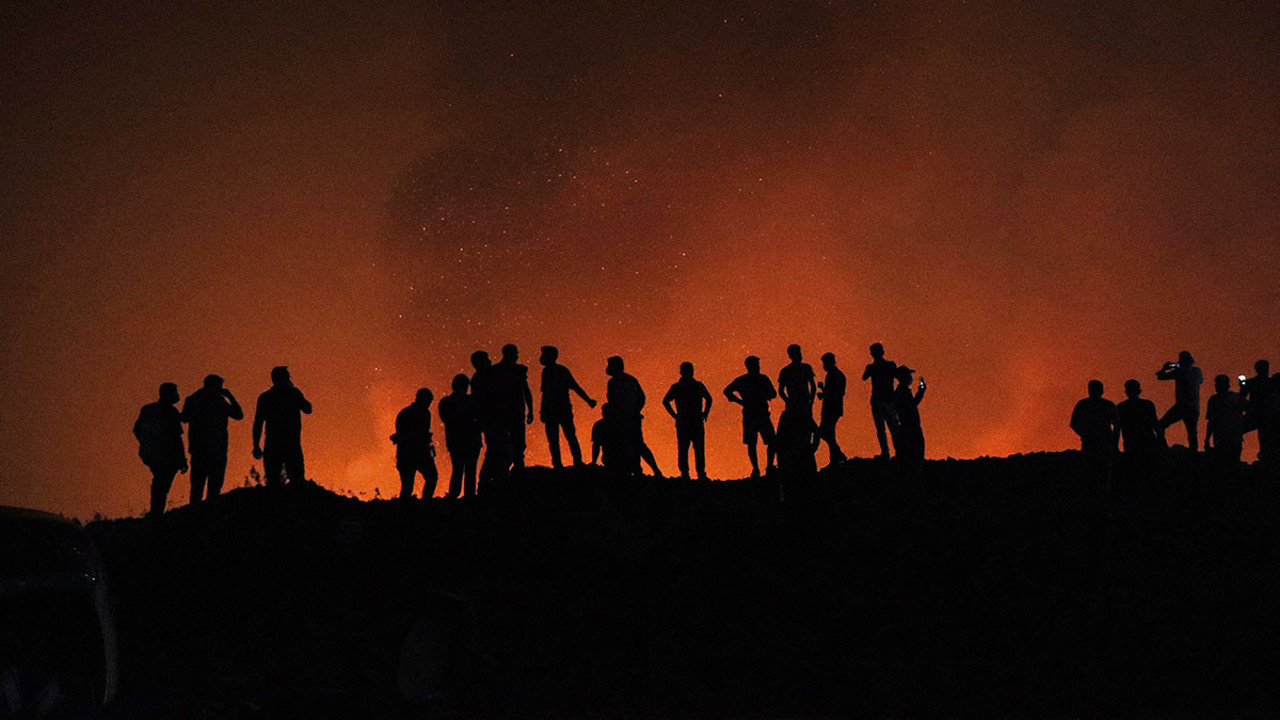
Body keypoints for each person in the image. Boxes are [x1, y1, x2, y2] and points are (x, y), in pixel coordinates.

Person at [180, 374, 243, 504]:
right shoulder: (218, 400)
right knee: (212, 486)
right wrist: (230, 396)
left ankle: (197, 514)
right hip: (214, 449)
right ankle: (206, 514)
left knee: (199, 486)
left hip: (202, 449)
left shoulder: (193, 399)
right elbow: (238, 414)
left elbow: (184, 418)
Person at [252, 366, 312, 487]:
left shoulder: (265, 397)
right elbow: (308, 409)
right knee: (297, 481)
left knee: (273, 482)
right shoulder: (294, 394)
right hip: (291, 444)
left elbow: (258, 423)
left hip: (273, 444)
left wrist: (256, 445)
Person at [134, 382, 187, 517]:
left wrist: (147, 444)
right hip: (168, 456)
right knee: (162, 484)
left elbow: (137, 429)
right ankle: (157, 513)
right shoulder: (171, 412)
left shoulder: (148, 409)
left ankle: (156, 511)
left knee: (158, 482)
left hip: (151, 454)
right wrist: (182, 459)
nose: (177, 395)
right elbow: (176, 438)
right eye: (175, 392)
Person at [539, 346, 596, 468]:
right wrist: (588, 400)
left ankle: (558, 464)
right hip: (563, 408)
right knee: (569, 436)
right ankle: (577, 461)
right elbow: (575, 387)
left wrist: (542, 411)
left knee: (555, 439)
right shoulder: (562, 370)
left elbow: (546, 394)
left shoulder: (548, 372)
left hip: (553, 410)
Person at [724, 356, 777, 477]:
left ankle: (761, 468)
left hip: (753, 413)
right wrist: (741, 401)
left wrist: (740, 401)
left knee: (760, 442)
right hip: (757, 414)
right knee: (762, 442)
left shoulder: (744, 380)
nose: (758, 367)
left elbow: (727, 391)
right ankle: (763, 468)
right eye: (756, 364)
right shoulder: (761, 379)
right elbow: (773, 394)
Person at [663, 362, 713, 480]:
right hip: (695, 421)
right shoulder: (697, 385)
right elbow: (709, 399)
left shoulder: (677, 387)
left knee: (684, 448)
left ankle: (686, 474)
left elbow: (665, 401)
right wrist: (705, 413)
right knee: (698, 448)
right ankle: (700, 474)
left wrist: (675, 415)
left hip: (684, 421)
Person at [437, 374, 482, 498]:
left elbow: (448, 419)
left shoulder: (446, 402)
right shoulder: (472, 401)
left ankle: (454, 494)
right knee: (470, 470)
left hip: (456, 441)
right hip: (471, 441)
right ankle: (469, 496)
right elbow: (479, 419)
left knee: (458, 469)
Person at [493, 344, 534, 470]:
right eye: (515, 354)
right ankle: (510, 471)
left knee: (517, 445)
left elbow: (526, 391)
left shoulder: (498, 370)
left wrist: (531, 410)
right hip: (508, 413)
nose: (516, 357)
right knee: (511, 445)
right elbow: (526, 391)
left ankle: (513, 471)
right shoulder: (514, 371)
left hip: (510, 413)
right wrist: (530, 410)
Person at [391, 389, 438, 499]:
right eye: (428, 402)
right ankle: (425, 502)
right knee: (430, 478)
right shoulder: (423, 414)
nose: (429, 405)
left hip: (408, 453)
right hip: (413, 453)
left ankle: (408, 508)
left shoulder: (406, 413)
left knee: (408, 486)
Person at [605, 356, 646, 474]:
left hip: (621, 419)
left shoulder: (613, 382)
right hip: (633, 417)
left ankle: (626, 470)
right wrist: (636, 411)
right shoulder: (632, 380)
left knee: (623, 444)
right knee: (636, 444)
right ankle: (636, 469)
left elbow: (613, 400)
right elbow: (642, 397)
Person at [1155, 350, 1203, 452]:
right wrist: (1176, 366)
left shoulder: (1179, 372)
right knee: (1192, 433)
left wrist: (1167, 368)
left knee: (1161, 425)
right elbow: (1200, 380)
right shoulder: (1197, 371)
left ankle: (1162, 447)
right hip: (1194, 407)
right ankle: (1193, 453)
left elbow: (1160, 376)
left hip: (1182, 406)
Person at [470, 350, 505, 484]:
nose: (490, 361)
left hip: (490, 420)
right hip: (491, 420)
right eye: (486, 359)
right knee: (497, 449)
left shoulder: (479, 378)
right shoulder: (482, 378)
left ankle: (489, 479)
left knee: (496, 449)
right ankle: (488, 479)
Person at [862, 343, 899, 459]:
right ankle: (895, 451)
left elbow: (864, 377)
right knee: (890, 427)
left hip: (882, 400)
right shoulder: (888, 365)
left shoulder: (873, 367)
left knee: (885, 428)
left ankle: (888, 452)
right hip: (885, 400)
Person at [1069, 380, 1119, 458]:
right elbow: (1117, 425)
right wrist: (1114, 442)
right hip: (1101, 442)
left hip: (1093, 442)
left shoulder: (1083, 404)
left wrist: (1085, 434)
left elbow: (1074, 424)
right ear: (1102, 391)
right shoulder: (1108, 405)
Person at [1242, 360, 1278, 466]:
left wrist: (1248, 407)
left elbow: (1241, 398)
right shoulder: (1272, 382)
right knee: (1266, 437)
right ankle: (1267, 459)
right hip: (1268, 415)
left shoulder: (1251, 382)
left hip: (1257, 413)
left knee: (1265, 437)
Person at [1205, 374, 1246, 466]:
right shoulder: (1236, 398)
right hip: (1233, 438)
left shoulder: (1213, 400)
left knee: (1223, 466)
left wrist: (1207, 439)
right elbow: (1249, 409)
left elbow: (1211, 421)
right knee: (1233, 465)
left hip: (1222, 439)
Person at [816, 352, 847, 466]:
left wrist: (823, 391)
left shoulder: (833, 375)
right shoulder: (837, 374)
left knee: (825, 432)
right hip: (834, 407)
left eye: (824, 363)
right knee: (828, 433)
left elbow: (836, 393)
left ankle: (838, 455)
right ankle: (835, 457)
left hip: (831, 408)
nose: (823, 366)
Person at [1117, 379, 1161, 458]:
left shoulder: (1121, 407)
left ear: (1126, 392)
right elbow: (1155, 424)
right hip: (1147, 442)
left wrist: (1115, 445)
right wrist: (1161, 439)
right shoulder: (1147, 404)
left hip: (1131, 444)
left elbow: (1117, 428)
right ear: (1139, 391)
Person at [892, 366, 926, 463]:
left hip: (907, 426)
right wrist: (921, 393)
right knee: (915, 453)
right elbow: (912, 405)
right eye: (908, 375)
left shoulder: (900, 392)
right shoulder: (902, 392)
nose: (910, 377)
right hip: (910, 426)